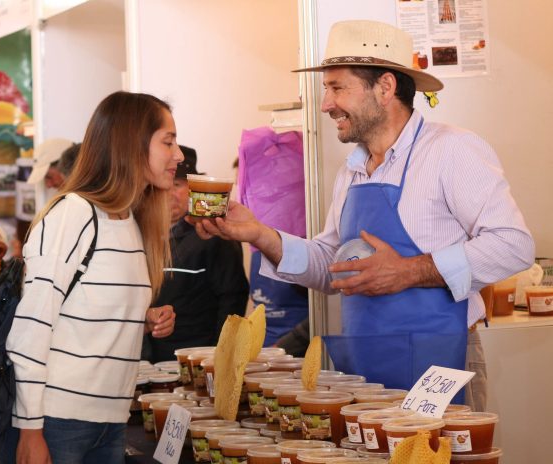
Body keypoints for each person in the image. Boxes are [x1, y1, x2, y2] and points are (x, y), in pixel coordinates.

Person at [189, 20, 534, 410]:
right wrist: (259, 234)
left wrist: (408, 271)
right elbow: (330, 267)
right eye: (326, 89)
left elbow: (514, 245)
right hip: (367, 371)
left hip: (440, 364)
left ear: (385, 88)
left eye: (337, 88)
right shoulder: (352, 171)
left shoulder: (451, 150)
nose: (325, 104)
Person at [0, 91, 181, 464]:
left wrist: (141, 319)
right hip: (58, 420)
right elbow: (32, 326)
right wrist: (30, 430)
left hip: (109, 419)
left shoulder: (131, 220)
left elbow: (83, 308)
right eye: (168, 141)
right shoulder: (74, 214)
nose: (178, 155)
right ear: (132, 144)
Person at [142, 145, 249, 363]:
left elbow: (233, 298)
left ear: (193, 190)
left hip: (196, 360)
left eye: (178, 184)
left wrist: (219, 357)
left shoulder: (212, 234)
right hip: (149, 361)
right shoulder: (142, 235)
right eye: (163, 185)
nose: (169, 192)